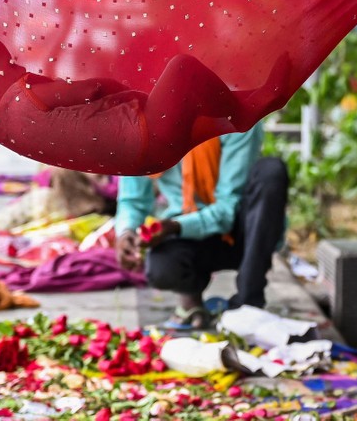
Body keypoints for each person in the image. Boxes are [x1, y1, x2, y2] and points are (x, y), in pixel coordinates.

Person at [0, 33, 290, 175]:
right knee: (183, 71)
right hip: (148, 132)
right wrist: (111, 82)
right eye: (9, 65)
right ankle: (245, 110)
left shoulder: (7, 131)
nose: (20, 67)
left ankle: (233, 111)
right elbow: (92, 90)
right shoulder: (24, 97)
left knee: (198, 117)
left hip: (142, 160)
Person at [114, 124, 288, 330]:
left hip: (245, 231)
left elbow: (226, 210)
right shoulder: (143, 130)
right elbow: (133, 201)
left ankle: (249, 302)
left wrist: (175, 226)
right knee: (162, 267)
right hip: (191, 232)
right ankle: (191, 300)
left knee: (270, 171)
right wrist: (126, 232)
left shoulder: (237, 120)